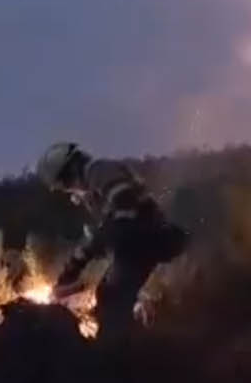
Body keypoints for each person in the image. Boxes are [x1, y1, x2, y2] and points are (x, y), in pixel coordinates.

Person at [34, 142, 188, 345]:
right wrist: (71, 271)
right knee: (109, 296)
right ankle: (131, 343)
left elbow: (123, 207)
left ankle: (119, 355)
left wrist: (99, 242)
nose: (69, 190)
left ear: (71, 170)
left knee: (113, 301)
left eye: (65, 184)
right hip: (138, 242)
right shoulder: (94, 191)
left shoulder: (99, 170)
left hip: (148, 238)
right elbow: (102, 233)